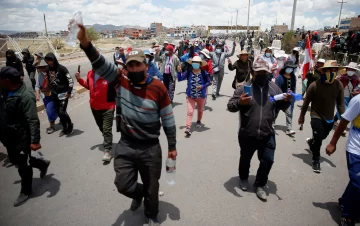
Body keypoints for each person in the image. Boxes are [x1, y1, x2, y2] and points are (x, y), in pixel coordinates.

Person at [76, 23, 177, 226]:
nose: (134, 69)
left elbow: (167, 118)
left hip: (150, 147)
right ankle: (137, 194)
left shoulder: (158, 87)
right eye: (130, 66)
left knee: (152, 186)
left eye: (138, 65)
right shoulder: (120, 80)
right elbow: (100, 63)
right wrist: (86, 43)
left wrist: (172, 147)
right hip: (127, 144)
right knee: (122, 184)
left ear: (145, 66)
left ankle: (151, 213)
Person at [227, 57, 292, 201]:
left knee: (268, 160)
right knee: (245, 158)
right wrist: (240, 102)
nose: (262, 76)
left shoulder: (275, 89)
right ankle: (243, 178)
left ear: (269, 73)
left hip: (268, 133)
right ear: (252, 73)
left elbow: (282, 106)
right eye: (259, 73)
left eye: (265, 73)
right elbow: (230, 106)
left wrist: (287, 101)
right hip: (247, 133)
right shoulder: (243, 88)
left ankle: (260, 184)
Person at [0, 66, 51, 207]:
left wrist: (35, 140)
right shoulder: (5, 90)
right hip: (7, 133)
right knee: (16, 159)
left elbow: (33, 120)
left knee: (23, 165)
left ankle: (26, 190)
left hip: (21, 136)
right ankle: (42, 163)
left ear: (7, 80)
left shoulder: (25, 96)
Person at [298, 60, 345, 173]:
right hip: (316, 115)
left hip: (329, 118)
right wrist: (302, 117)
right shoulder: (314, 86)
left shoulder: (339, 85)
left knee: (322, 137)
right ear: (324, 71)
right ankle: (316, 160)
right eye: (330, 70)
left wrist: (344, 119)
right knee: (319, 139)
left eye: (335, 70)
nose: (333, 72)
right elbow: (305, 104)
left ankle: (312, 142)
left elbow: (340, 104)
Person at [325, 93, 360, 226]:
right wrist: (333, 143)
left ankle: (344, 202)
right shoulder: (358, 101)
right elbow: (344, 121)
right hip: (356, 149)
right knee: (358, 184)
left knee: (356, 181)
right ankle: (348, 215)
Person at [75, 69, 116, 162]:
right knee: (101, 127)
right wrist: (79, 79)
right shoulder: (90, 73)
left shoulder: (110, 75)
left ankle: (107, 150)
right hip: (94, 106)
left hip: (108, 106)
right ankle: (107, 139)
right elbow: (89, 86)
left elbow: (118, 90)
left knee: (106, 129)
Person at [177, 56, 210, 136]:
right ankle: (188, 128)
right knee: (190, 111)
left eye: (197, 63)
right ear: (192, 64)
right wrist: (179, 72)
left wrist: (202, 86)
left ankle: (198, 121)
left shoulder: (204, 73)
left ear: (200, 64)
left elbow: (208, 82)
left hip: (200, 96)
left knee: (200, 110)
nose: (195, 64)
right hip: (190, 96)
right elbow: (180, 79)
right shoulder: (189, 71)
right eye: (194, 62)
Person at [44, 53, 74, 137]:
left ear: (54, 59)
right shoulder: (47, 69)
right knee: (58, 112)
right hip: (54, 94)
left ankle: (70, 124)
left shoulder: (62, 68)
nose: (50, 62)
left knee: (62, 111)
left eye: (51, 60)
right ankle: (64, 128)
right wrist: (49, 89)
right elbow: (49, 80)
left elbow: (70, 81)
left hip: (64, 93)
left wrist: (69, 92)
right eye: (48, 61)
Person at [35, 60, 58, 134]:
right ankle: (52, 124)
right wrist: (37, 94)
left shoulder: (52, 73)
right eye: (41, 67)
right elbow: (37, 86)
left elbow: (56, 84)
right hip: (45, 96)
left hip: (54, 94)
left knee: (56, 108)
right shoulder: (39, 75)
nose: (43, 69)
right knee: (49, 110)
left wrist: (48, 88)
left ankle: (57, 122)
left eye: (44, 67)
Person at [333, 62, 360, 127]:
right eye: (349, 69)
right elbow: (335, 84)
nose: (350, 71)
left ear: (355, 70)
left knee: (344, 110)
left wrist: (356, 91)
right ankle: (342, 126)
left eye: (352, 69)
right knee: (344, 111)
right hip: (340, 96)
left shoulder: (357, 79)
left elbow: (358, 88)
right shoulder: (341, 77)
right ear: (347, 69)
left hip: (350, 98)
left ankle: (334, 120)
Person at [275, 60, 297, 136]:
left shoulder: (293, 77)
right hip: (279, 99)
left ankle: (289, 129)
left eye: (292, 68)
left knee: (289, 113)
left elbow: (293, 88)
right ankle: (271, 125)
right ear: (285, 68)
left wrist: (291, 96)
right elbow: (276, 89)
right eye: (289, 68)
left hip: (288, 99)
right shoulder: (279, 77)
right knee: (275, 113)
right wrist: (282, 96)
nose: (290, 69)